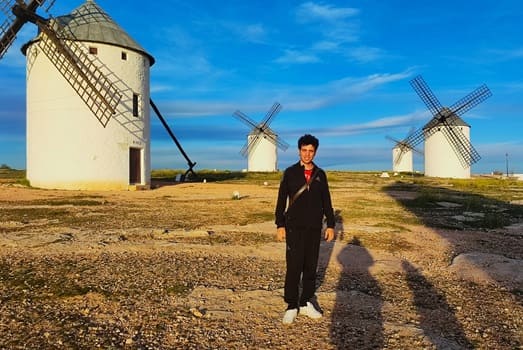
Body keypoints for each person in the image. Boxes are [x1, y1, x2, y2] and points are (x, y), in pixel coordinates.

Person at [275, 134, 335, 324]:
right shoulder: (290, 172)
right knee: (294, 266)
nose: (307, 154)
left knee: (310, 266)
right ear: (299, 150)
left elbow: (327, 201)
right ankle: (292, 305)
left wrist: (331, 224)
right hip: (293, 227)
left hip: (314, 227)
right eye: (304, 150)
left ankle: (305, 302)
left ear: (315, 152)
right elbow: (281, 200)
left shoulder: (320, 174)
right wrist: (280, 225)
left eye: (311, 151)